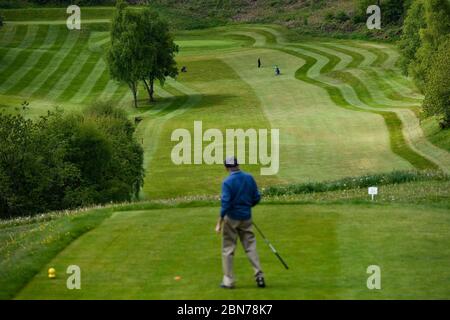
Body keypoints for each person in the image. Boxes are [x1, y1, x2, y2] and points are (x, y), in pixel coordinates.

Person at [215, 156, 265, 289]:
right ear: (238, 164)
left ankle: (228, 281)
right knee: (250, 247)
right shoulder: (249, 178)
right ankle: (259, 276)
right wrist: (247, 207)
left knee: (228, 249)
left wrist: (219, 222)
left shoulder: (227, 182)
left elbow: (225, 204)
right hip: (246, 217)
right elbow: (256, 198)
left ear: (226, 168)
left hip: (231, 219)